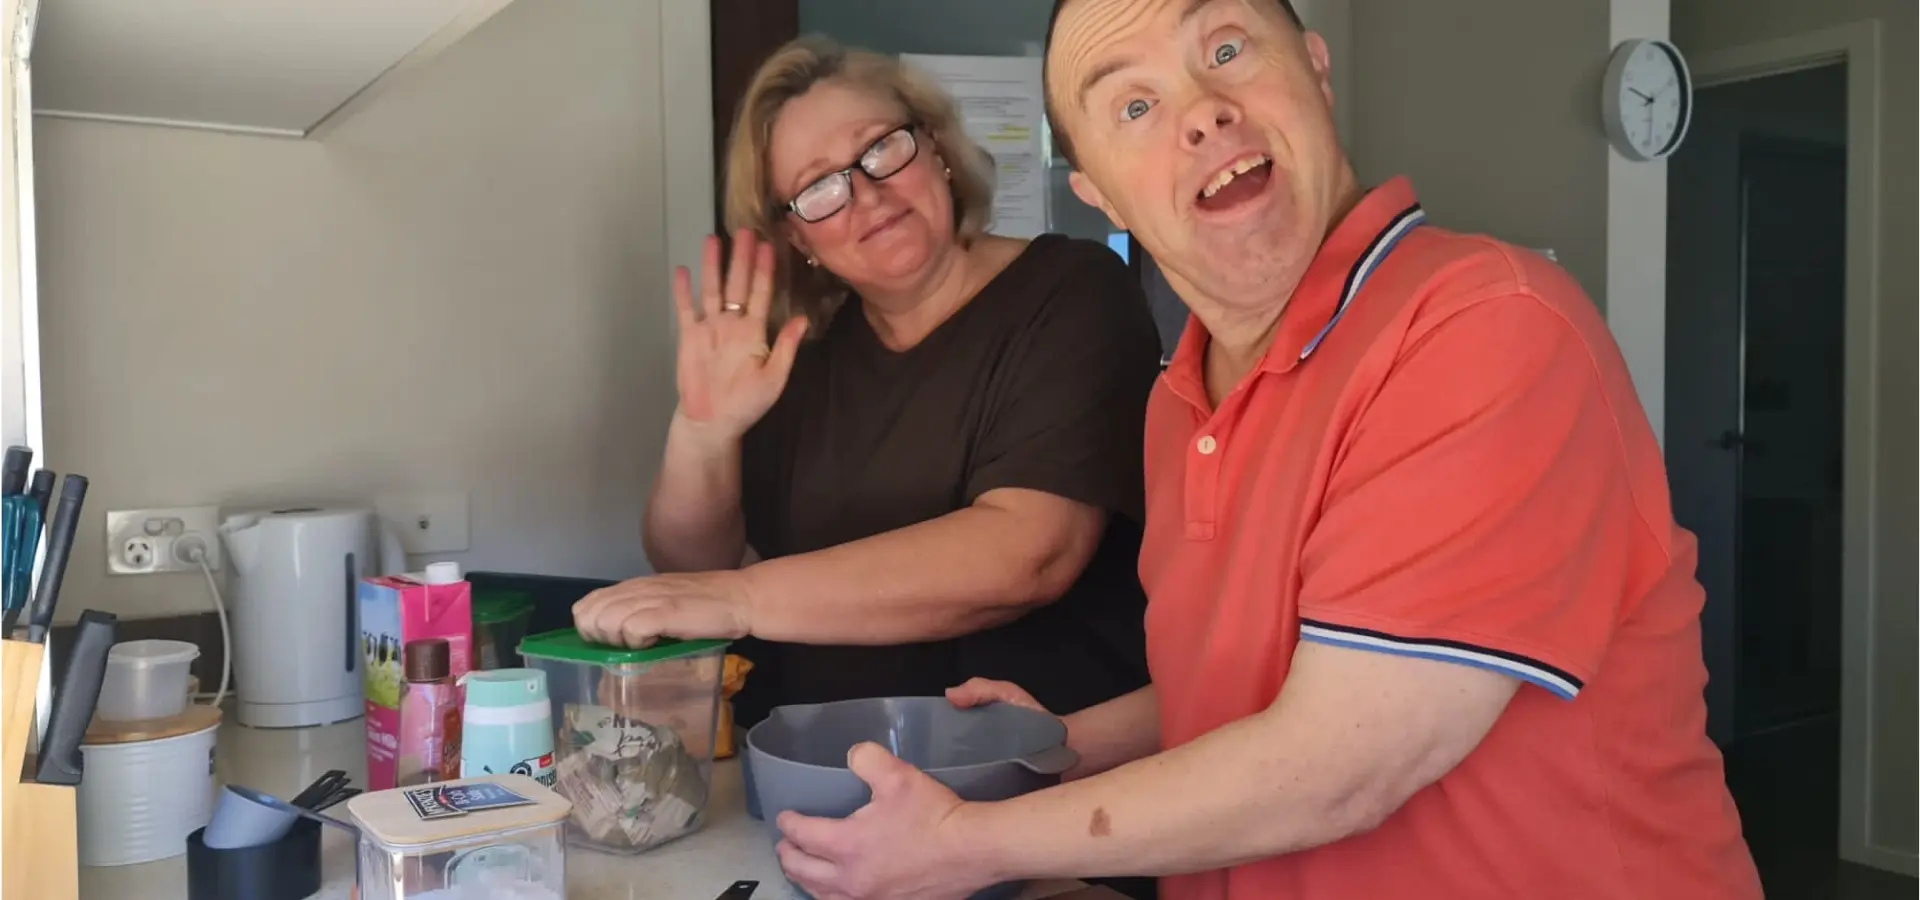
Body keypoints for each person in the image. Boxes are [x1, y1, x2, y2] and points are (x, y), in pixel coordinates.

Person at [765, 2, 1766, 899]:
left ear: (1318, 71)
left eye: (1228, 49)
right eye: (1134, 107)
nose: (1201, 112)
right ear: (1103, 194)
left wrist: (972, 841)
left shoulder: (1484, 325)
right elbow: (1251, 680)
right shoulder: (1181, 401)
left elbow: (1341, 760)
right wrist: (1066, 745)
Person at [572, 38, 1162, 736]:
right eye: (819, 186)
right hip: (815, 780)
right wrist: (702, 433)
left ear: (935, 147)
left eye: (881, 149)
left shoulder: (1074, 291)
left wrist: (742, 600)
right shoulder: (801, 354)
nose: (867, 195)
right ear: (798, 238)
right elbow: (693, 566)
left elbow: (1028, 553)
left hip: (1027, 780)